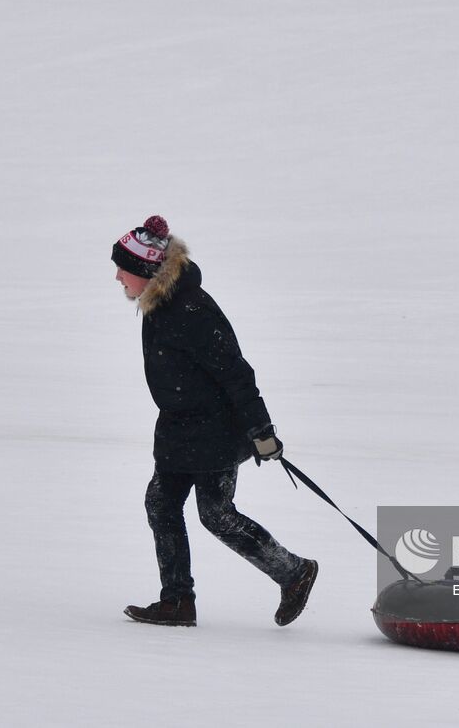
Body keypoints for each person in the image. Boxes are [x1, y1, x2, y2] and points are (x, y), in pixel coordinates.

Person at [112, 215, 318, 628]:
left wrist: (262, 431)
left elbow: (236, 372)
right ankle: (176, 602)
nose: (117, 277)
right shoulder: (157, 304)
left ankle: (294, 572)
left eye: (124, 269)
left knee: (216, 514)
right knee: (161, 504)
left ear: (148, 272)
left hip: (215, 432)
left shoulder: (193, 309)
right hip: (177, 430)